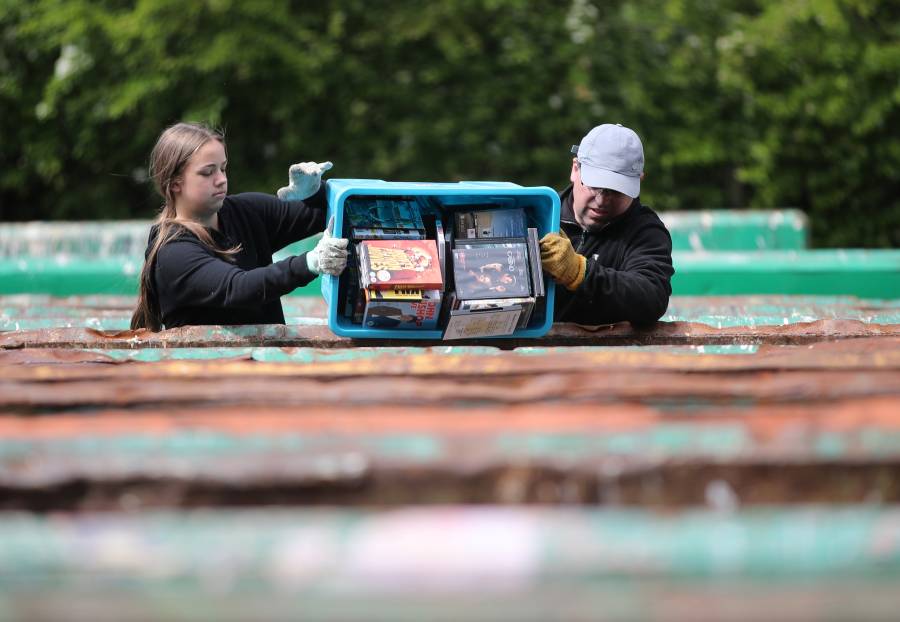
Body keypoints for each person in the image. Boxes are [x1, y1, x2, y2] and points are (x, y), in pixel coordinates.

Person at [130, 121, 348, 331]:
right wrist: (311, 262)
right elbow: (238, 288)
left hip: (263, 364)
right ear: (175, 183)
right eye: (208, 172)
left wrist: (314, 193)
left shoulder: (244, 211)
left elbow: (324, 214)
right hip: (208, 367)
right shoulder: (173, 252)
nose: (221, 179)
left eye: (223, 169)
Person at [539, 123, 674, 326]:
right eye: (595, 186)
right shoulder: (539, 216)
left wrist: (580, 273)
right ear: (575, 169)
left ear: (639, 180)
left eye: (616, 191)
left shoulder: (645, 231)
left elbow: (651, 298)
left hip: (608, 355)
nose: (602, 200)